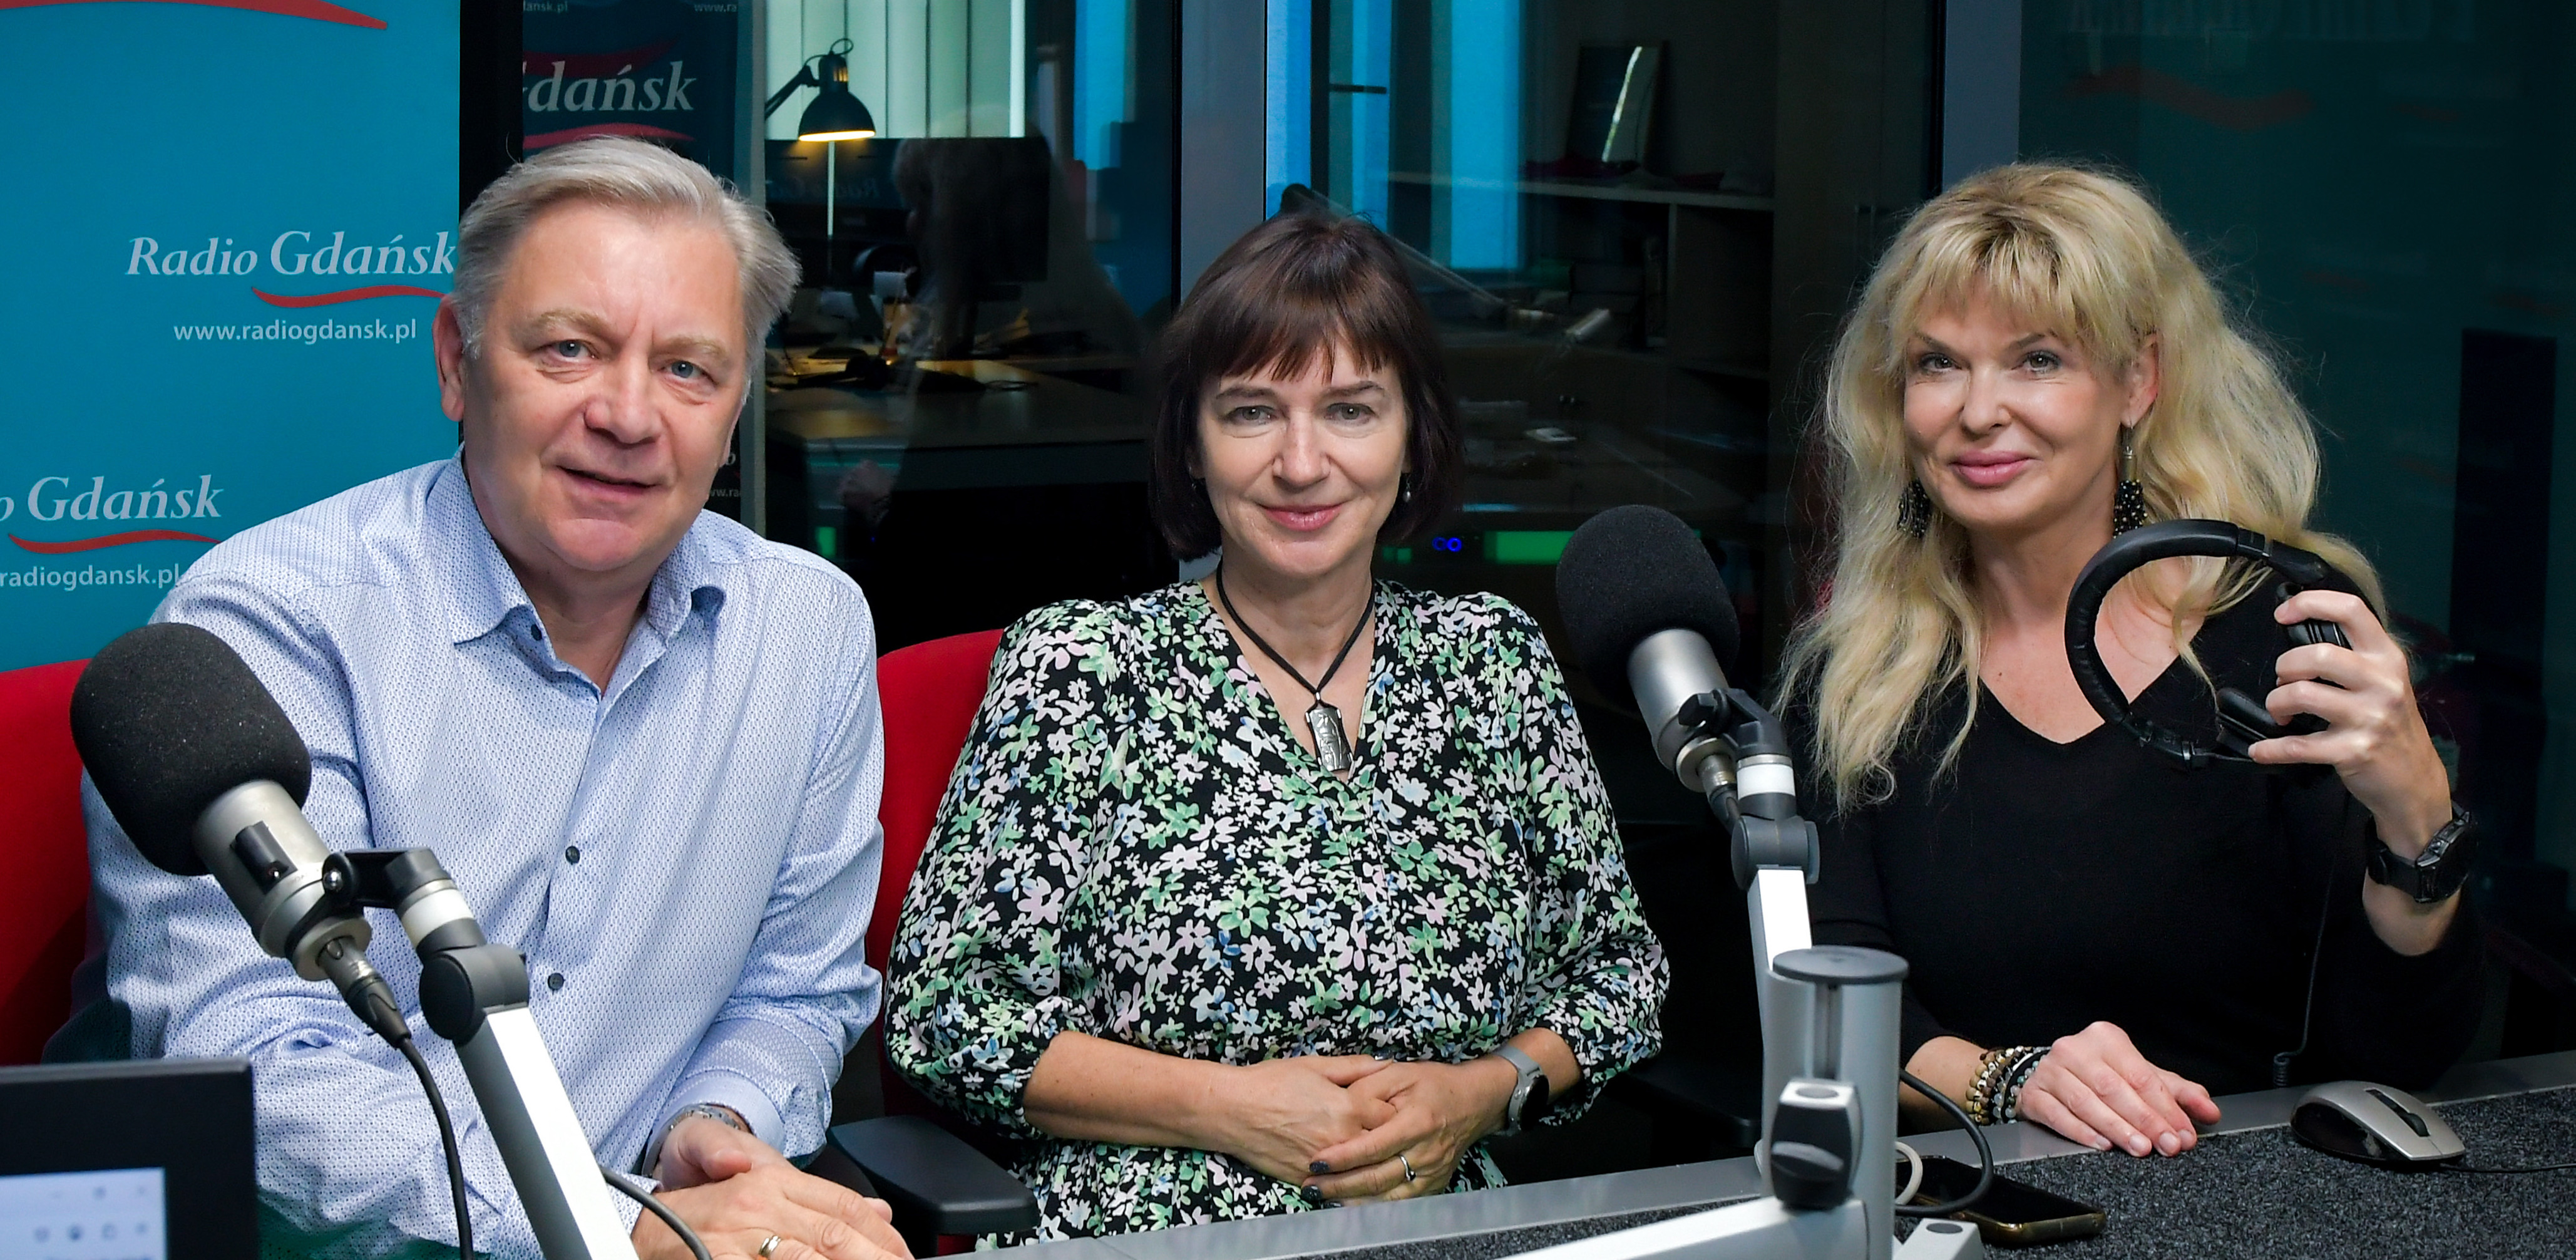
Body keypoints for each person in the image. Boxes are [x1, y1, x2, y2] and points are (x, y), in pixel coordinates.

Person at [68, 138, 908, 1259]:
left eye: (688, 370)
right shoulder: (269, 619)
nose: (628, 414)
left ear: (736, 401)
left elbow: (797, 989)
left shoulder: (808, 630)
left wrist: (718, 1124)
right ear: (458, 363)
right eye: (570, 349)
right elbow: (261, 1064)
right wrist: (616, 1227)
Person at [883, 211, 1667, 1242]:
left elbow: (1621, 975)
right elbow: (945, 1016)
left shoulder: (1497, 663)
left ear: (1412, 440)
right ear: (1193, 447)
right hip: (1150, 1230)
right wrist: (1230, 1109)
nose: (1303, 465)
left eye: (1350, 411)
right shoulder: (1083, 669)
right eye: (1253, 413)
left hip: (1444, 1231)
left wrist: (1486, 1090)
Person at [1785, 163, 2480, 1160]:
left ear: (2138, 381)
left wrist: (2417, 809)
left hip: (2253, 1197)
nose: (1978, 412)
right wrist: (2012, 1081)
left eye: (2036, 360)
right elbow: (1833, 1014)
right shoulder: (1857, 672)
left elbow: (2395, 1058)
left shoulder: (2284, 630)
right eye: (1938, 364)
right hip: (1975, 1201)